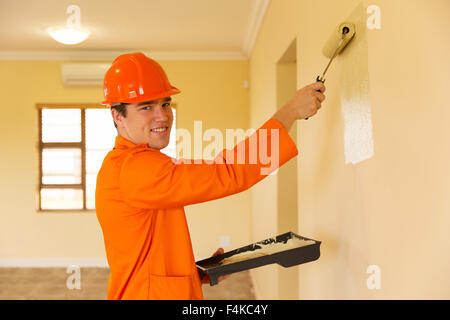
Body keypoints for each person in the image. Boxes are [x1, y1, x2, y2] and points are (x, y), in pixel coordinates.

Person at [95, 52, 325, 300]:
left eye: (165, 103)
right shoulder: (136, 169)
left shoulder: (128, 163)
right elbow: (229, 172)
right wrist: (289, 112)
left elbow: (142, 251)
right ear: (117, 116)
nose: (162, 115)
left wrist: (193, 272)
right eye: (146, 107)